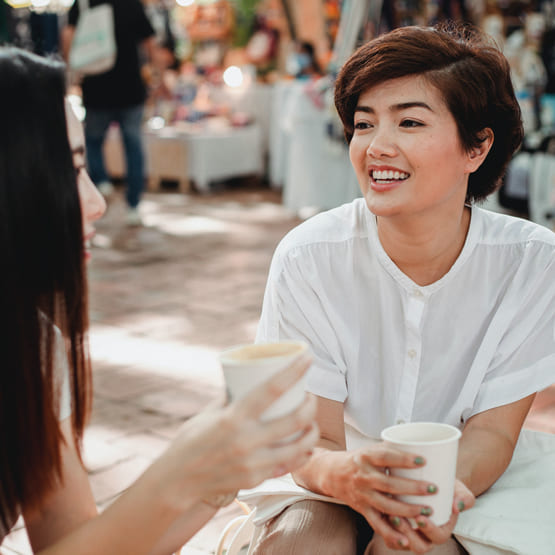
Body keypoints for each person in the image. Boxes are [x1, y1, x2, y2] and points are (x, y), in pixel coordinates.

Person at [0, 46, 319, 553]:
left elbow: (76, 542)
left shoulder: (34, 341)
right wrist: (181, 471)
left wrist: (218, 469)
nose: (97, 202)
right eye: (70, 170)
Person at [252, 22, 555, 554]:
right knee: (300, 547)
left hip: (466, 477)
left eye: (410, 122)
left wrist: (420, 499)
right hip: (329, 471)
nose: (376, 147)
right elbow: (312, 440)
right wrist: (352, 477)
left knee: (413, 549)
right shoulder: (308, 258)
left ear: (476, 148)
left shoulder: (531, 263)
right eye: (364, 124)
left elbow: (493, 435)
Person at [62, 0, 156, 226]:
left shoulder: (84, 2)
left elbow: (68, 37)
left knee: (93, 141)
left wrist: (70, 68)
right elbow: (150, 42)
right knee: (133, 146)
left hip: (97, 87)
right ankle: (133, 205)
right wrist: (155, 73)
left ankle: (102, 181)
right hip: (130, 87)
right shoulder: (132, 3)